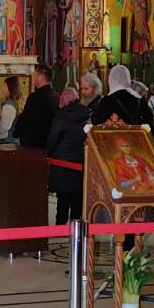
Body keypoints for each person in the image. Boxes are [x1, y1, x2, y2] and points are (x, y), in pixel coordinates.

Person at [47, 86, 89, 224]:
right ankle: (76, 229)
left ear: (64, 100)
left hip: (62, 167)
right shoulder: (86, 115)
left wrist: (48, 153)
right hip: (80, 165)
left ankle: (60, 230)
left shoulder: (61, 117)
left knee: (62, 202)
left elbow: (52, 139)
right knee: (78, 201)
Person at [14, 63, 57, 149]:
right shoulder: (56, 96)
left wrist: (16, 132)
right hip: (49, 142)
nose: (33, 77)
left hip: (33, 143)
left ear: (40, 77)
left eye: (35, 75)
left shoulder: (36, 97)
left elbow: (26, 118)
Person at [0, 75, 21, 142]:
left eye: (5, 86)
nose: (3, 88)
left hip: (6, 141)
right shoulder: (13, 102)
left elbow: (4, 127)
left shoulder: (9, 105)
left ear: (10, 88)